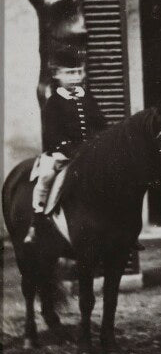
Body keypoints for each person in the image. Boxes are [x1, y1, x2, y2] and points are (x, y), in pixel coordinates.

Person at [24, 49, 107, 244]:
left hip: (90, 153)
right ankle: (37, 221)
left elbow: (100, 124)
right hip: (62, 154)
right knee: (45, 176)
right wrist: (70, 150)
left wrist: (98, 144)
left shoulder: (87, 97)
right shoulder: (53, 102)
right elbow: (52, 134)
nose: (75, 77)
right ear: (56, 75)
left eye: (79, 72)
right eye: (70, 73)